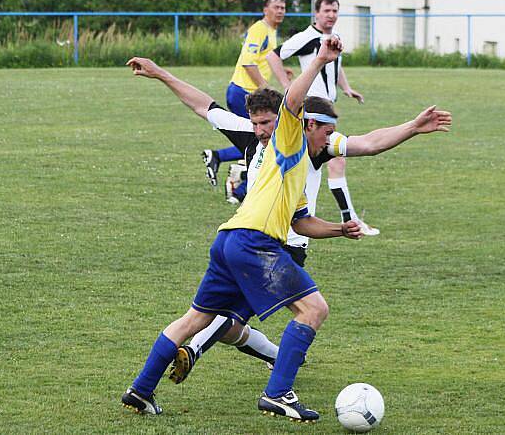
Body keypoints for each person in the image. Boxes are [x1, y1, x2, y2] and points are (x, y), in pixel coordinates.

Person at [122, 48, 452, 421]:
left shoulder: (294, 165)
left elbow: (302, 220)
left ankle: (141, 389)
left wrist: (338, 229)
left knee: (195, 320)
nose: (331, 140)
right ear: (306, 124)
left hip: (229, 240)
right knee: (314, 309)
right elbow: (290, 100)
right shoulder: (290, 134)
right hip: (256, 243)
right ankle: (278, 394)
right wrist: (320, 60)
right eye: (326, 131)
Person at [267, 0, 379, 235]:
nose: (331, 15)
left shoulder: (333, 38)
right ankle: (347, 219)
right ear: (316, 13)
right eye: (326, 11)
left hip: (327, 110)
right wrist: (288, 89)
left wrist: (346, 88)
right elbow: (273, 56)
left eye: (335, 11)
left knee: (325, 162)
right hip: (312, 112)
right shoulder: (308, 37)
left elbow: (335, 65)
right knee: (335, 159)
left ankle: (326, 217)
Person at [202, 0, 291, 200]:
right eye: (276, 7)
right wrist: (266, 88)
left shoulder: (270, 31)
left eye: (283, 8)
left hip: (248, 93)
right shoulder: (259, 30)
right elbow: (248, 63)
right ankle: (238, 187)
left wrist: (281, 70)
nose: (280, 11)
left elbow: (261, 60)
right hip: (242, 92)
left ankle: (220, 161)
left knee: (260, 139)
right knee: (260, 140)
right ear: (265, 10)